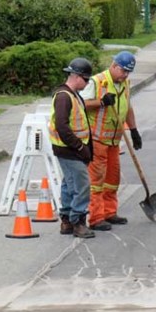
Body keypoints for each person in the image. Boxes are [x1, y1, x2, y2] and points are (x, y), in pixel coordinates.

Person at [82, 50, 142, 231]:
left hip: (115, 141)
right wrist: (100, 102)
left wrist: (134, 130)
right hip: (97, 140)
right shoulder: (97, 81)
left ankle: (110, 212)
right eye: (123, 71)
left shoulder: (125, 83)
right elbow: (81, 103)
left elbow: (127, 106)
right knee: (97, 181)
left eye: (128, 72)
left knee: (112, 180)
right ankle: (96, 218)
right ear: (114, 66)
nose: (125, 75)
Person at [49, 57, 95, 239]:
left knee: (69, 184)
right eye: (86, 79)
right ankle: (78, 221)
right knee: (82, 185)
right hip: (68, 150)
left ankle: (66, 220)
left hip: (70, 149)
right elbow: (62, 126)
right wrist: (79, 147)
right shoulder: (63, 97)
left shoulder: (74, 95)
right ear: (76, 76)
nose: (87, 82)